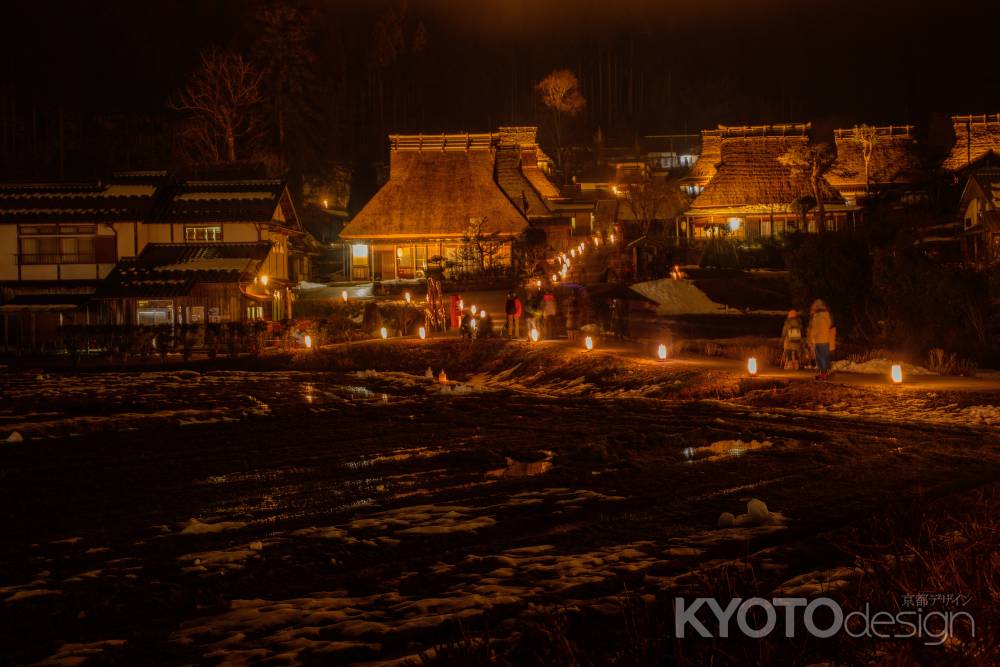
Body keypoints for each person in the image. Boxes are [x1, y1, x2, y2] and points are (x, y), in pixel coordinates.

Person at [807, 299, 834, 380]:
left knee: (820, 358)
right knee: (825, 356)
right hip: (825, 339)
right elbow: (830, 325)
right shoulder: (827, 314)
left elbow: (813, 328)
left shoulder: (816, 316)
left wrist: (811, 339)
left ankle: (823, 374)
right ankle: (824, 373)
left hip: (818, 340)